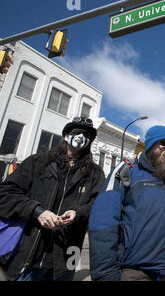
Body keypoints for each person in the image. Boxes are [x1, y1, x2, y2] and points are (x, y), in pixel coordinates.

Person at [88, 125, 165, 281]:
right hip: (133, 271)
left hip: (163, 270)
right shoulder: (126, 171)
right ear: (150, 144)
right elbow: (103, 222)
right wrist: (105, 274)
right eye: (163, 143)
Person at [0, 117, 105, 281]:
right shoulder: (38, 162)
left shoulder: (95, 173)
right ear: (65, 136)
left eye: (86, 135)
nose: (80, 137)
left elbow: (99, 205)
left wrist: (77, 212)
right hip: (29, 257)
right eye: (76, 132)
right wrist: (37, 211)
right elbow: (5, 193)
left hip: (68, 256)